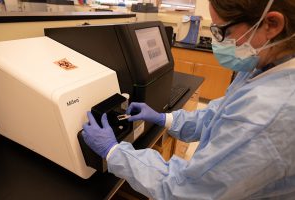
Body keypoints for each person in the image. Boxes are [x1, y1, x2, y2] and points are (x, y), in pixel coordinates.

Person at [82, 0, 295, 199]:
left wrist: (114, 152)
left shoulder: (269, 112)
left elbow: (183, 190)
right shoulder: (264, 66)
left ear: (272, 24)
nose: (219, 41)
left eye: (225, 31)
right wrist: (164, 118)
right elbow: (217, 116)